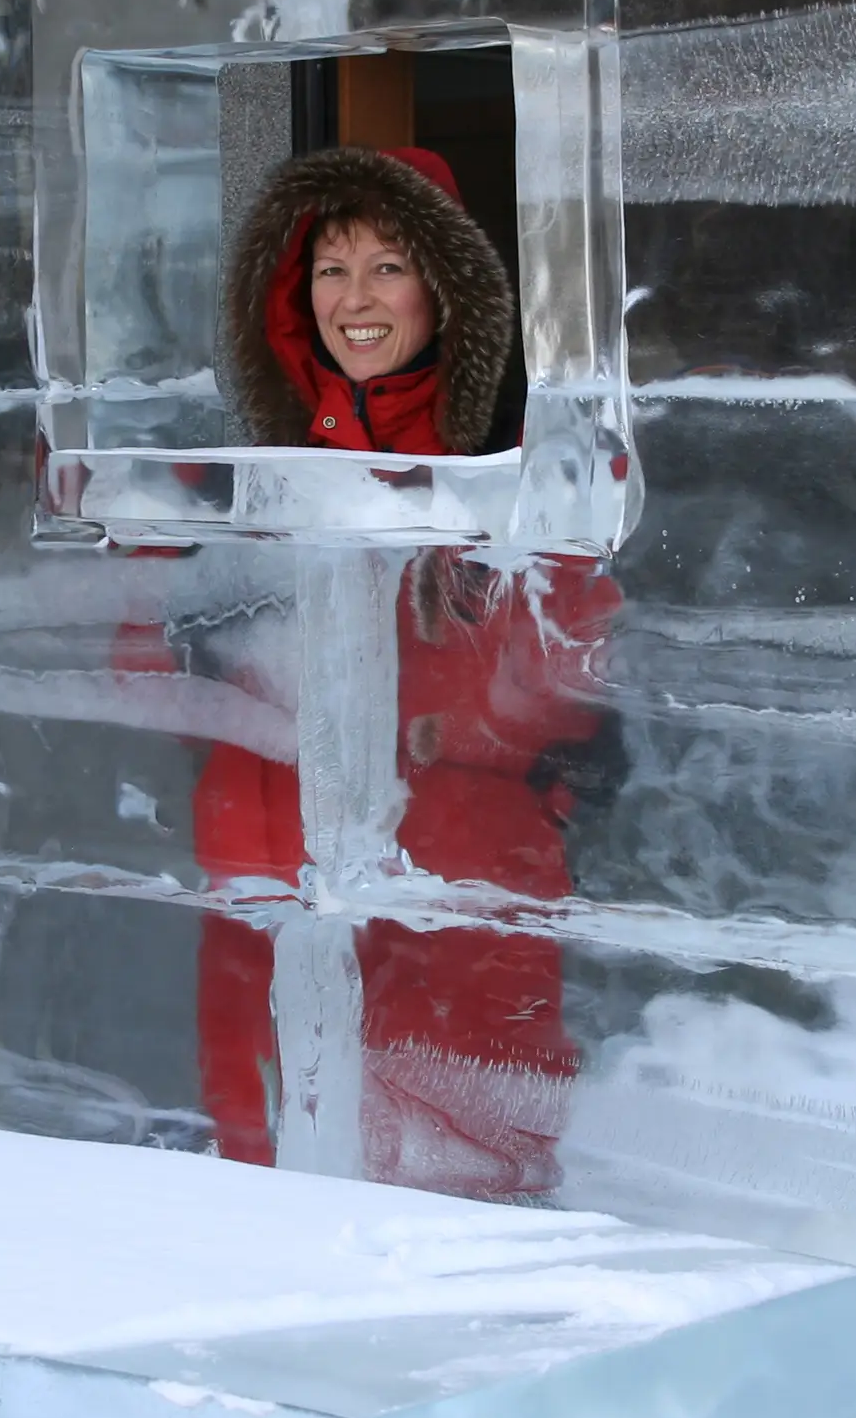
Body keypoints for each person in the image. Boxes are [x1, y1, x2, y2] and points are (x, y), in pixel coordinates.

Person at [183, 143, 615, 1199]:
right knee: (260, 1171)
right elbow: (156, 645)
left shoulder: (526, 477)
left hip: (457, 880)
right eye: (330, 269)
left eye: (389, 265)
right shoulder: (246, 483)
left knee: (462, 1188)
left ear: (445, 288)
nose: (356, 298)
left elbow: (565, 685)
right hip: (260, 876)